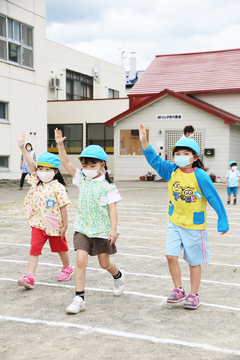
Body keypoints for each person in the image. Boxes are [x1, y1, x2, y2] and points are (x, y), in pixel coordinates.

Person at [139, 123, 229, 310]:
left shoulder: (201, 176)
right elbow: (154, 160)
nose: (180, 157)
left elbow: (213, 198)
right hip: (174, 222)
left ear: (195, 157)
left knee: (193, 262)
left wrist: (222, 219)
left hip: (194, 226)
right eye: (177, 153)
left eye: (185, 153)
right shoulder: (171, 170)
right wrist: (145, 142)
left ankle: (194, 295)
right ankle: (178, 289)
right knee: (170, 256)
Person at [54, 128, 125, 314]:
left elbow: (113, 208)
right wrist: (60, 144)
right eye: (84, 165)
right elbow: (65, 162)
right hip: (83, 228)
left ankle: (118, 275)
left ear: (102, 164)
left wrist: (114, 229)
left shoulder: (108, 186)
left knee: (104, 264)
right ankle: (79, 298)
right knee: (80, 261)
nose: (86, 169)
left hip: (102, 230)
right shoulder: (82, 178)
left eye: (91, 166)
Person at [17, 132, 73, 289]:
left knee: (60, 249)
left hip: (54, 224)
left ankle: (67, 267)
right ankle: (30, 276)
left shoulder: (57, 187)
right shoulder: (36, 180)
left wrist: (65, 225)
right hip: (38, 223)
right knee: (34, 249)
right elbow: (30, 163)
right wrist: (22, 148)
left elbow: (63, 206)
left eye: (47, 169)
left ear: (55, 171)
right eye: (40, 168)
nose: (42, 171)